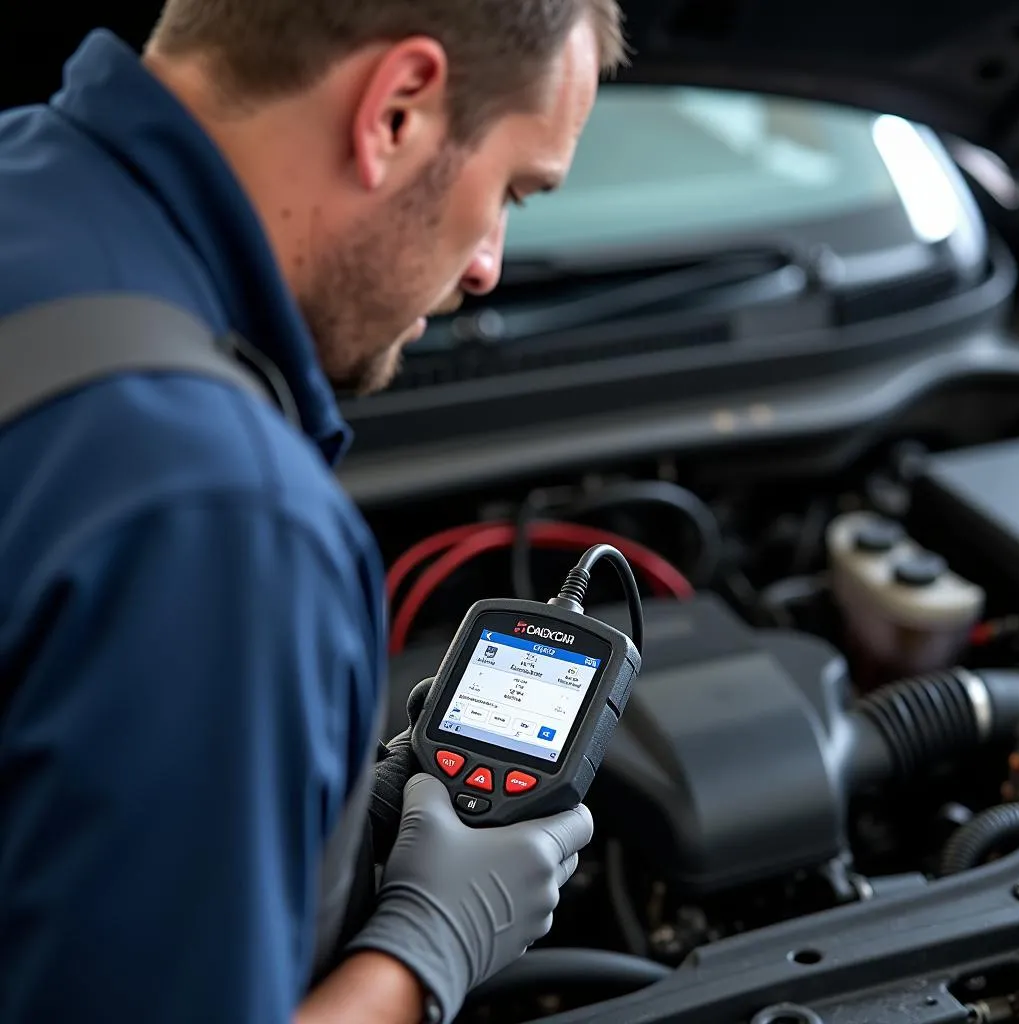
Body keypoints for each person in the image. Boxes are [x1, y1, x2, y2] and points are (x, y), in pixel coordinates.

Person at [0, 2, 626, 1023]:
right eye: (510, 188)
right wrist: (428, 950)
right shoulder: (223, 522)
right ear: (396, 112)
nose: (486, 267)